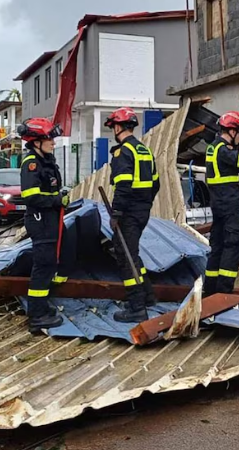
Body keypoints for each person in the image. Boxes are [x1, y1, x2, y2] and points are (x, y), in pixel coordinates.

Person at [104, 108, 160, 323]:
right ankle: (147, 296)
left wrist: (117, 212)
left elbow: (123, 185)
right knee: (132, 253)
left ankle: (136, 307)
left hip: (128, 212)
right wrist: (144, 204)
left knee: (125, 255)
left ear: (118, 127)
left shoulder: (123, 152)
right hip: (142, 210)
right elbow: (156, 184)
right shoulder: (144, 150)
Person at [18, 117, 70, 333]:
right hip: (41, 222)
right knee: (43, 266)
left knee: (51, 263)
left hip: (51, 220)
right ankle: (37, 315)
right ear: (36, 141)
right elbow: (30, 196)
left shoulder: (46, 161)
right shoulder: (31, 164)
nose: (53, 142)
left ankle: (42, 306)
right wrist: (57, 200)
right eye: (50, 139)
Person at [203, 111, 239, 296]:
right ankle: (224, 293)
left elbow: (229, 164)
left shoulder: (214, 147)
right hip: (229, 204)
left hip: (217, 204)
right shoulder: (223, 150)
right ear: (233, 131)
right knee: (232, 245)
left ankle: (209, 290)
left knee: (217, 245)